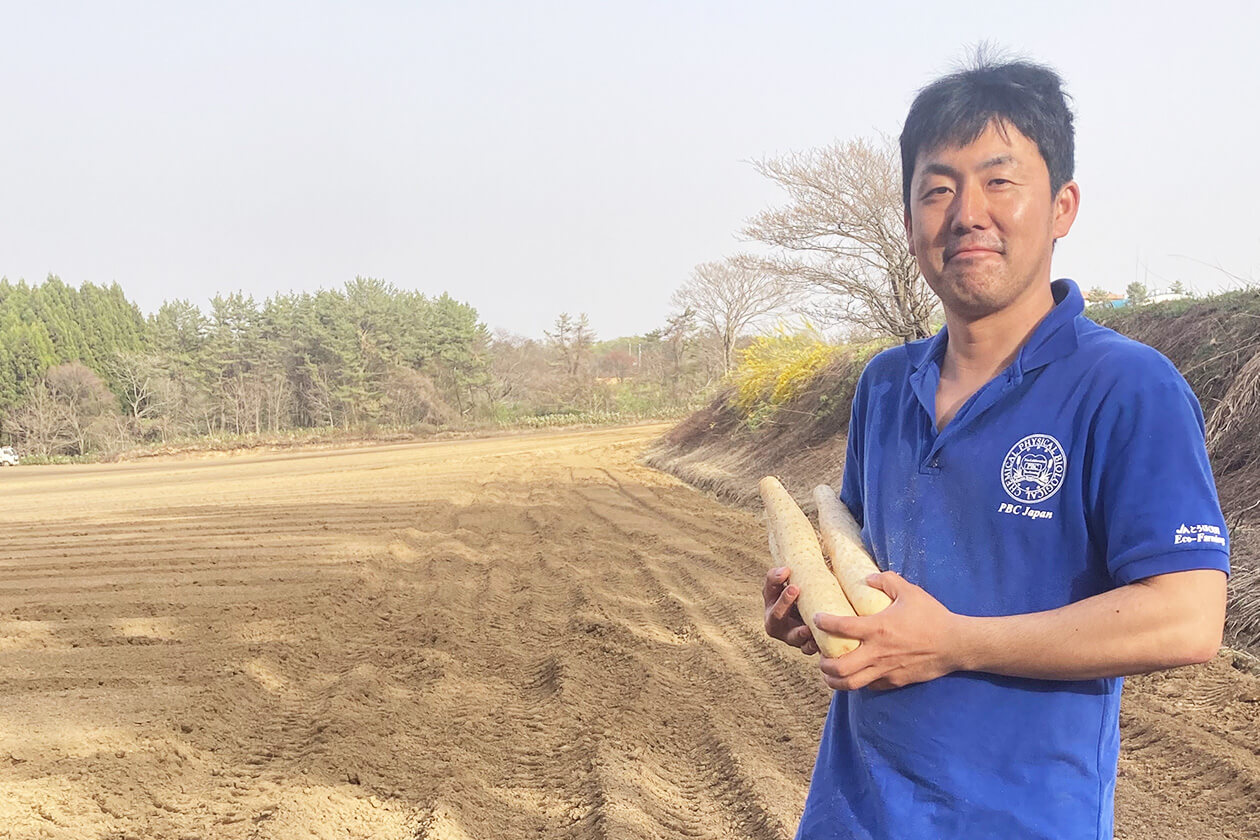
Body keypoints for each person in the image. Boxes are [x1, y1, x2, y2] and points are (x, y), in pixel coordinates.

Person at [762, 56, 1230, 839]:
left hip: (1023, 819)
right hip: (852, 813)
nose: (966, 213)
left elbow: (1186, 619)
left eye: (999, 182)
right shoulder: (883, 385)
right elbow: (874, 578)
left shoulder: (1127, 388)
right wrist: (811, 613)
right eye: (937, 188)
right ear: (910, 222)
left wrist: (955, 645)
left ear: (1062, 206)